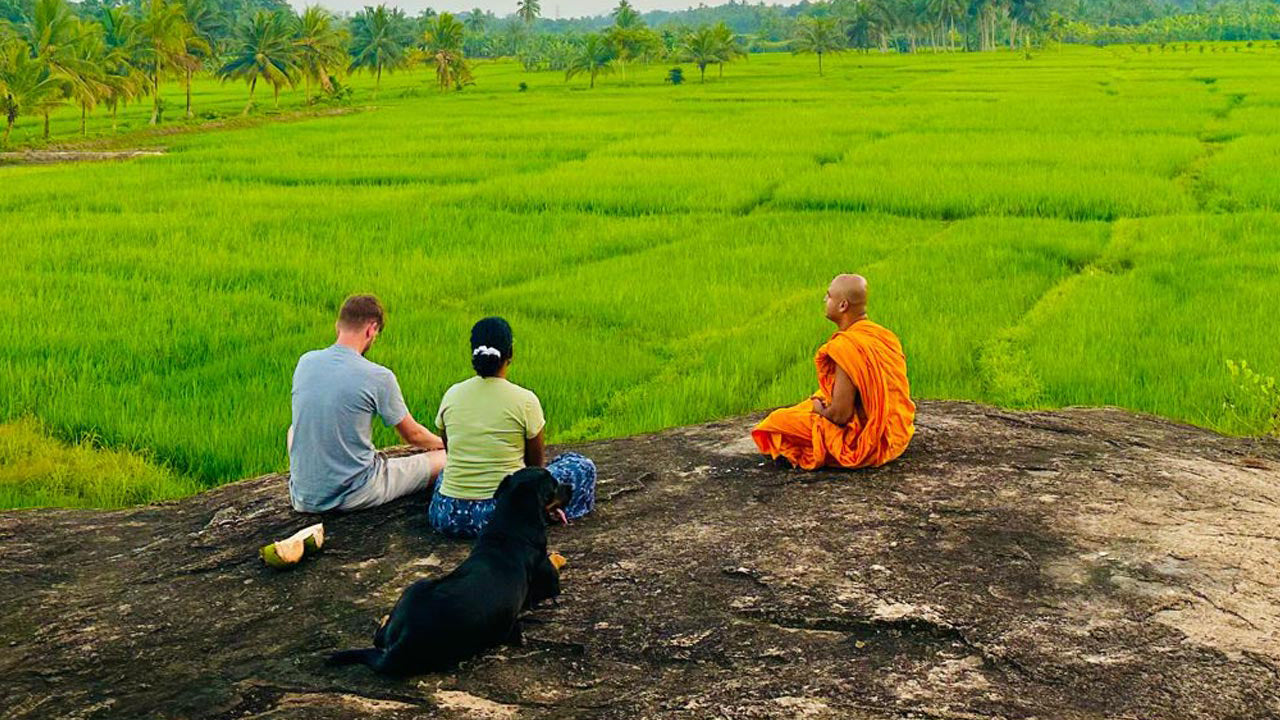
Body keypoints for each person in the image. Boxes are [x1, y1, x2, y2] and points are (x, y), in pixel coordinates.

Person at [429, 316, 596, 538]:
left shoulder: (452, 394)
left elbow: (452, 452)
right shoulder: (525, 400)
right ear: (510, 353)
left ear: (473, 354)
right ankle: (547, 512)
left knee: (445, 473)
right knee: (581, 465)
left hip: (447, 514)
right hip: (502, 516)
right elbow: (535, 469)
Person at [287, 294, 446, 513]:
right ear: (371, 330)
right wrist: (445, 443)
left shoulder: (305, 362)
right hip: (356, 492)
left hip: (303, 498)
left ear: (338, 326)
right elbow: (413, 436)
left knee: (293, 429)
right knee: (445, 459)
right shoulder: (378, 376)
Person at [751, 274, 915, 470]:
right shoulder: (884, 336)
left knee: (775, 422)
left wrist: (818, 408)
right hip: (897, 433)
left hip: (870, 441)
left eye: (828, 296)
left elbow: (840, 415)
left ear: (843, 306)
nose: (824, 300)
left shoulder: (847, 346)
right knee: (819, 397)